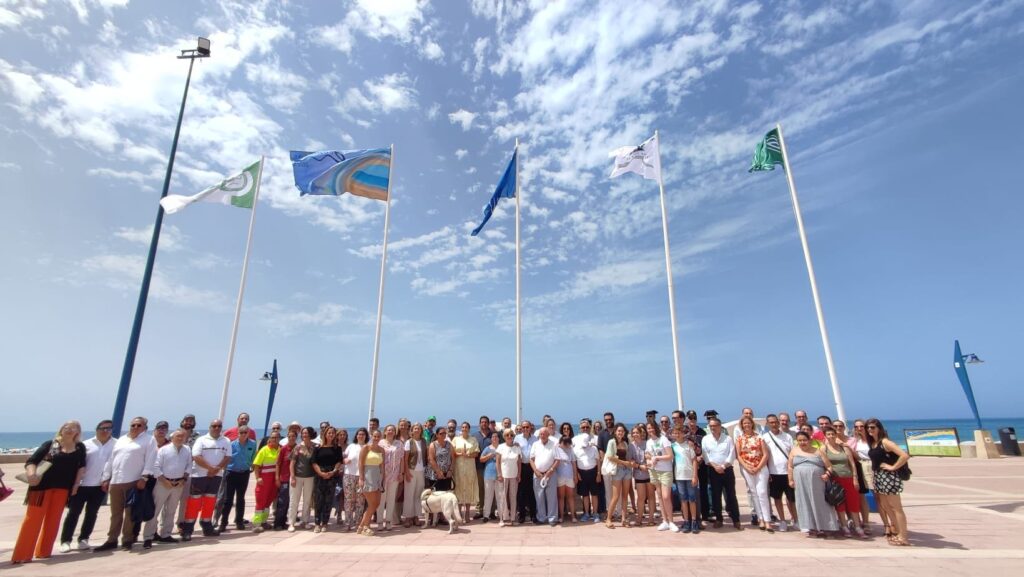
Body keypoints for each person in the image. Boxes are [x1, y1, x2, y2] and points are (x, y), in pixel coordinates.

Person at [12, 421, 86, 564]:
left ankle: (44, 552)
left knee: (53, 521)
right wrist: (32, 475)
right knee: (32, 520)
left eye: (73, 428)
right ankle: (22, 555)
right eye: (67, 427)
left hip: (63, 488)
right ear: (61, 430)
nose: (70, 430)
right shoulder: (51, 445)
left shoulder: (79, 448)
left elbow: (81, 467)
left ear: (78, 431)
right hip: (40, 488)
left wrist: (77, 484)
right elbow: (32, 461)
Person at [95, 416, 157, 551]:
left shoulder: (149, 440)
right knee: (116, 513)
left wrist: (144, 478)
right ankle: (111, 539)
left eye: (139, 425)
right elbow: (112, 459)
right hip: (116, 481)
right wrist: (106, 478)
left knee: (130, 514)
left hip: (133, 481)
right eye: (133, 425)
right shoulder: (121, 440)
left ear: (144, 427)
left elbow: (150, 460)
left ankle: (127, 540)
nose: (135, 427)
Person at [60, 419, 114, 552]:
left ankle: (84, 539)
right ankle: (66, 540)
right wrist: (74, 483)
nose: (105, 431)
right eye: (102, 428)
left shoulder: (116, 444)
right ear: (97, 429)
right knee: (73, 513)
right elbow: (78, 465)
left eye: (108, 428)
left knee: (92, 513)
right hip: (81, 485)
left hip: (100, 486)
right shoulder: (85, 444)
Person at [181, 419, 231, 541]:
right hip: (199, 475)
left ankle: (207, 526)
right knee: (194, 502)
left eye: (219, 426)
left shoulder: (226, 441)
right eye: (214, 426)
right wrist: (210, 468)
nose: (216, 428)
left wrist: (217, 469)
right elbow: (196, 456)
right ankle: (188, 529)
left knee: (210, 501)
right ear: (209, 427)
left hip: (216, 476)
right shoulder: (201, 440)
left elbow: (228, 457)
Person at [142, 429, 191, 548]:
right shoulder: (163, 450)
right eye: (178, 436)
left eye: (182, 436)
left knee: (171, 510)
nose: (180, 438)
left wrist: (183, 479)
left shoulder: (187, 450)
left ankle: (166, 534)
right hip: (163, 483)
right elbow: (156, 466)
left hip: (178, 484)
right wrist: (164, 480)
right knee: (155, 510)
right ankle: (148, 537)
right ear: (172, 438)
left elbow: (189, 465)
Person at [867, 418, 911, 546]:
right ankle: (897, 531)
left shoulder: (885, 442)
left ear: (879, 428)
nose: (870, 430)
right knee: (885, 506)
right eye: (868, 428)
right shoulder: (874, 443)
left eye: (872, 427)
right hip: (879, 477)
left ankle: (903, 537)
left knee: (896, 507)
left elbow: (904, 455)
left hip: (889, 477)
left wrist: (893, 467)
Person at [788, 431, 839, 537]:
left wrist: (827, 474)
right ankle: (811, 527)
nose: (802, 442)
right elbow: (790, 467)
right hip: (800, 482)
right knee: (804, 502)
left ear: (810, 440)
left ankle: (826, 526)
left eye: (804, 440)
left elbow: (829, 466)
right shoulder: (794, 451)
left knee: (820, 502)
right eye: (800, 440)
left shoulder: (818, 451)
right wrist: (791, 480)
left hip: (817, 482)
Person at [822, 425, 864, 537]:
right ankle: (844, 526)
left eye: (833, 434)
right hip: (835, 479)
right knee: (840, 503)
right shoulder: (824, 448)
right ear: (825, 436)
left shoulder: (844, 447)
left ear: (836, 435)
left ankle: (857, 526)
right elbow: (824, 464)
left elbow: (852, 463)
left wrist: (855, 477)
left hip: (849, 477)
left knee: (853, 502)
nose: (831, 436)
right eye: (828, 434)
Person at [701, 417, 741, 530]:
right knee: (715, 496)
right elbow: (705, 455)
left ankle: (736, 520)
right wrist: (715, 466)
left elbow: (732, 454)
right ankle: (719, 519)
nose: (713, 428)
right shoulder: (706, 439)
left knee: (731, 495)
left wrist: (723, 466)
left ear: (720, 426)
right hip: (713, 470)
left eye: (715, 425)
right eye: (711, 426)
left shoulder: (728, 439)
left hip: (727, 470)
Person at [735, 416, 772, 532]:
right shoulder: (739, 439)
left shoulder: (759, 437)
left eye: (748, 423)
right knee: (754, 493)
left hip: (761, 467)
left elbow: (765, 454)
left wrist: (758, 467)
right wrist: (747, 467)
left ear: (752, 424)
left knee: (762, 492)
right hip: (747, 468)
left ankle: (767, 520)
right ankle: (760, 518)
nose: (746, 425)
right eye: (744, 423)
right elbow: (739, 455)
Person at [762, 414, 797, 531]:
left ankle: (796, 520)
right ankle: (782, 521)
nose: (774, 424)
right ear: (767, 424)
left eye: (775, 422)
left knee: (792, 499)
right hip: (773, 473)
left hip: (788, 472)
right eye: (771, 422)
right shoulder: (765, 437)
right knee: (777, 499)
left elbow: (793, 453)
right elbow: (764, 456)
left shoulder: (787, 437)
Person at [220, 425, 257, 532]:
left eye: (246, 432)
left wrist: (252, 465)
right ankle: (223, 522)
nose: (243, 434)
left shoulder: (253, 444)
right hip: (231, 473)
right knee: (228, 500)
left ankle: (239, 521)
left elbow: (253, 456)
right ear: (238, 433)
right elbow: (226, 457)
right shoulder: (231, 445)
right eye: (241, 433)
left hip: (244, 473)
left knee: (241, 498)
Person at [646, 422, 677, 532]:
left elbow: (670, 455)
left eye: (652, 428)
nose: (650, 430)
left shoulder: (663, 439)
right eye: (648, 428)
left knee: (666, 497)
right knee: (659, 496)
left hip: (665, 471)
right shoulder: (649, 442)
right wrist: (650, 460)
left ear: (656, 428)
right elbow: (648, 455)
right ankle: (665, 521)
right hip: (654, 471)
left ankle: (671, 521)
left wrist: (657, 458)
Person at [603, 423, 634, 529]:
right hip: (617, 470)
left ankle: (624, 519)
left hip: (626, 471)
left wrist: (629, 463)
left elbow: (627, 457)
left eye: (622, 431)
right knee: (615, 497)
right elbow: (610, 457)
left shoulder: (625, 443)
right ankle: (608, 519)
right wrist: (624, 463)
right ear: (615, 432)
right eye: (619, 431)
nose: (620, 433)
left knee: (625, 496)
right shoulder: (611, 442)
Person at [311, 427, 342, 533]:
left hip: (331, 475)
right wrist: (320, 473)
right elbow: (314, 462)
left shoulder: (337, 448)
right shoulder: (318, 447)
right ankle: (317, 523)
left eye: (333, 433)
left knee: (328, 500)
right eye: (329, 433)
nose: (331, 434)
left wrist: (333, 472)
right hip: (319, 475)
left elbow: (339, 461)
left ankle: (325, 523)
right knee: (318, 500)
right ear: (325, 434)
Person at [671, 425, 700, 533]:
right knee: (683, 499)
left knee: (692, 499)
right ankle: (686, 521)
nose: (677, 435)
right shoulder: (672, 446)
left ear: (683, 434)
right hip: (679, 476)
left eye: (679, 433)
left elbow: (694, 460)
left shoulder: (688, 445)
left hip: (689, 476)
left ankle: (694, 521)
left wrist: (695, 475)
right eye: (675, 433)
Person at [251, 429, 281, 533]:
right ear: (269, 439)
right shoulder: (264, 449)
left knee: (269, 500)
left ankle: (264, 521)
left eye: (276, 437)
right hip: (264, 479)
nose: (274, 439)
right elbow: (256, 465)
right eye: (272, 437)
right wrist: (258, 477)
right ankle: (256, 523)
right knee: (261, 501)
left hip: (274, 479)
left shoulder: (280, 450)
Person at [851, 419, 878, 534]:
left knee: (879, 496)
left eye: (862, 426)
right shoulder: (854, 440)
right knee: (862, 496)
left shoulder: (872, 440)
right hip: (860, 466)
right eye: (857, 427)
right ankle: (865, 522)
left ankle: (889, 524)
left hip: (872, 465)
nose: (859, 428)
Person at [530, 425, 560, 526]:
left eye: (544, 434)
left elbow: (557, 460)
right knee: (539, 497)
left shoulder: (554, 444)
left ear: (548, 435)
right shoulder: (535, 444)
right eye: (541, 434)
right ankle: (541, 518)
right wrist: (536, 471)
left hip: (551, 474)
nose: (542, 435)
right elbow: (531, 459)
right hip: (538, 474)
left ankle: (552, 519)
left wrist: (550, 470)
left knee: (552, 497)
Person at [572, 418, 601, 523]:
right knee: (584, 495)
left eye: (587, 427)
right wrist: (577, 474)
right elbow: (574, 461)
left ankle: (596, 513)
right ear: (580, 429)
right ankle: (587, 513)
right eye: (583, 427)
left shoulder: (593, 447)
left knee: (594, 494)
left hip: (593, 472)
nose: (585, 429)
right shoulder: (575, 444)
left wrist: (598, 474)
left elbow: (598, 460)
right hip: (582, 473)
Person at [377, 424, 406, 530]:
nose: (390, 431)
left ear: (395, 432)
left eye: (392, 430)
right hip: (382, 475)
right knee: (381, 499)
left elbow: (402, 459)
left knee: (391, 498)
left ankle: (389, 521)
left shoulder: (399, 444)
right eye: (388, 430)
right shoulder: (380, 443)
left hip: (395, 474)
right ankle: (380, 521)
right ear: (385, 432)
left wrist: (401, 473)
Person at [357, 429, 385, 536]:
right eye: (375, 436)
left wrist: (383, 480)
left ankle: (361, 526)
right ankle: (365, 526)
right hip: (368, 476)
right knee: (372, 503)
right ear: (371, 436)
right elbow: (360, 463)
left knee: (376, 503)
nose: (376, 438)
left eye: (378, 436)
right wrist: (361, 478)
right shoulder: (366, 448)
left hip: (377, 477)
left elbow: (382, 466)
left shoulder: (382, 450)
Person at [289, 427, 317, 532]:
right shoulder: (297, 447)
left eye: (306, 433)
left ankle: (305, 521)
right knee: (294, 500)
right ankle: (291, 522)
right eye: (303, 433)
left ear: (310, 434)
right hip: (297, 476)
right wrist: (292, 477)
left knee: (307, 500)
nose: (304, 435)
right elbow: (292, 463)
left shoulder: (315, 447)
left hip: (310, 477)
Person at [453, 421, 480, 524]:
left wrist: (468, 455)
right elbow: (453, 452)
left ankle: (468, 513)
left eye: (466, 427)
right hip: (459, 467)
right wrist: (461, 453)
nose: (464, 429)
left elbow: (476, 453)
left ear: (469, 429)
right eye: (463, 427)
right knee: (458, 488)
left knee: (469, 488)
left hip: (469, 467)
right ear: (461, 428)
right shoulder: (456, 439)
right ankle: (459, 513)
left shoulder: (473, 439)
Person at [341, 427, 368, 532]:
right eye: (359, 434)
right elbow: (342, 458)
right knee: (348, 500)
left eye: (363, 434)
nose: (361, 436)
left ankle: (358, 523)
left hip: (362, 476)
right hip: (349, 475)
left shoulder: (367, 447)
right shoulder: (351, 446)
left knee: (360, 501)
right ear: (356, 436)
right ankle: (347, 523)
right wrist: (344, 460)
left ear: (366, 436)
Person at [495, 428, 522, 527]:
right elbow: (497, 462)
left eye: (511, 435)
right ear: (504, 437)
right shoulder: (500, 447)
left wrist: (519, 474)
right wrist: (499, 474)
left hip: (514, 476)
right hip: (503, 476)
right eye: (507, 435)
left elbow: (519, 463)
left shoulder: (517, 448)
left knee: (513, 497)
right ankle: (502, 518)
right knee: (502, 497)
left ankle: (513, 518)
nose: (509, 437)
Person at [402, 422, 427, 527]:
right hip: (411, 470)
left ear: (421, 430)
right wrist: (406, 473)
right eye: (415, 428)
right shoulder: (409, 442)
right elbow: (405, 459)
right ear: (412, 430)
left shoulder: (423, 441)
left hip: (421, 471)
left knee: (418, 495)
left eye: (418, 428)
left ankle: (416, 516)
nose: (417, 430)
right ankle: (408, 517)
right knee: (409, 494)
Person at [273, 427, 297, 530]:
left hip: (294, 478)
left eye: (293, 436)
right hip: (284, 478)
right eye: (289, 436)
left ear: (296, 437)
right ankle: (278, 523)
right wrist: (277, 477)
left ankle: (284, 522)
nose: (291, 438)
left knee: (289, 502)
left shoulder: (298, 448)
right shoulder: (283, 449)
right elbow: (278, 464)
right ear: (287, 437)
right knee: (282, 501)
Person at [513, 421, 537, 523]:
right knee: (521, 492)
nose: (525, 429)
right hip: (521, 467)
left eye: (527, 427)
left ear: (530, 427)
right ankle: (521, 515)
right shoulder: (517, 438)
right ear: (521, 428)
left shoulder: (535, 439)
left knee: (532, 492)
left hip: (532, 467)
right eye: (523, 427)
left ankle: (533, 515)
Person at [630, 425, 653, 526]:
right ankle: (639, 518)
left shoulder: (647, 443)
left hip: (650, 473)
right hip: (639, 474)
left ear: (641, 433)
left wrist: (649, 462)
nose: (635, 434)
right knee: (641, 497)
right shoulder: (631, 446)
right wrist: (639, 466)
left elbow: (651, 455)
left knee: (651, 497)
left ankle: (651, 519)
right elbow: (630, 461)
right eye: (633, 433)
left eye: (637, 432)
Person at [554, 434, 578, 523]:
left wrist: (575, 475)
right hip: (560, 476)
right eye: (566, 443)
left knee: (570, 497)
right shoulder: (556, 448)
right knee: (560, 497)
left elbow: (574, 463)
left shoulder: (571, 450)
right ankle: (561, 516)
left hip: (569, 476)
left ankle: (573, 516)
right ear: (562, 442)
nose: (567, 445)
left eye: (569, 443)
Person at [474, 415, 494, 518]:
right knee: (480, 489)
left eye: (486, 422)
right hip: (478, 466)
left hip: (491, 466)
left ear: (488, 423)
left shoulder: (493, 435)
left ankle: (491, 511)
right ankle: (480, 510)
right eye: (482, 422)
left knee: (491, 489)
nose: (484, 424)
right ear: (479, 423)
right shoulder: (475, 436)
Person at [597, 412, 615, 518]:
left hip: (618, 466)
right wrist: (606, 462)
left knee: (618, 490)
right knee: (608, 491)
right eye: (606, 420)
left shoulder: (618, 431)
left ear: (613, 419)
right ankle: (610, 512)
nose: (608, 421)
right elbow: (600, 450)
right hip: (607, 466)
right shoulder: (601, 434)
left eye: (609, 419)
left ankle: (618, 511)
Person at [426, 426, 454, 492]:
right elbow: (431, 459)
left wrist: (450, 470)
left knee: (446, 494)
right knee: (436, 495)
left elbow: (453, 458)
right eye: (441, 433)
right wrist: (438, 472)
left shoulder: (449, 444)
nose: (443, 435)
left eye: (445, 433)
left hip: (446, 474)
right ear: (437, 435)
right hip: (435, 474)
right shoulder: (433, 445)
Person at [480, 431, 501, 521]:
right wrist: (489, 455)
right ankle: (486, 515)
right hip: (488, 474)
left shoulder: (502, 448)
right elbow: (481, 459)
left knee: (500, 496)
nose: (495, 438)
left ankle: (501, 515)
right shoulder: (487, 448)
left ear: (499, 438)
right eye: (493, 437)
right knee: (488, 496)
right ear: (491, 439)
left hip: (500, 475)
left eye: (496, 436)